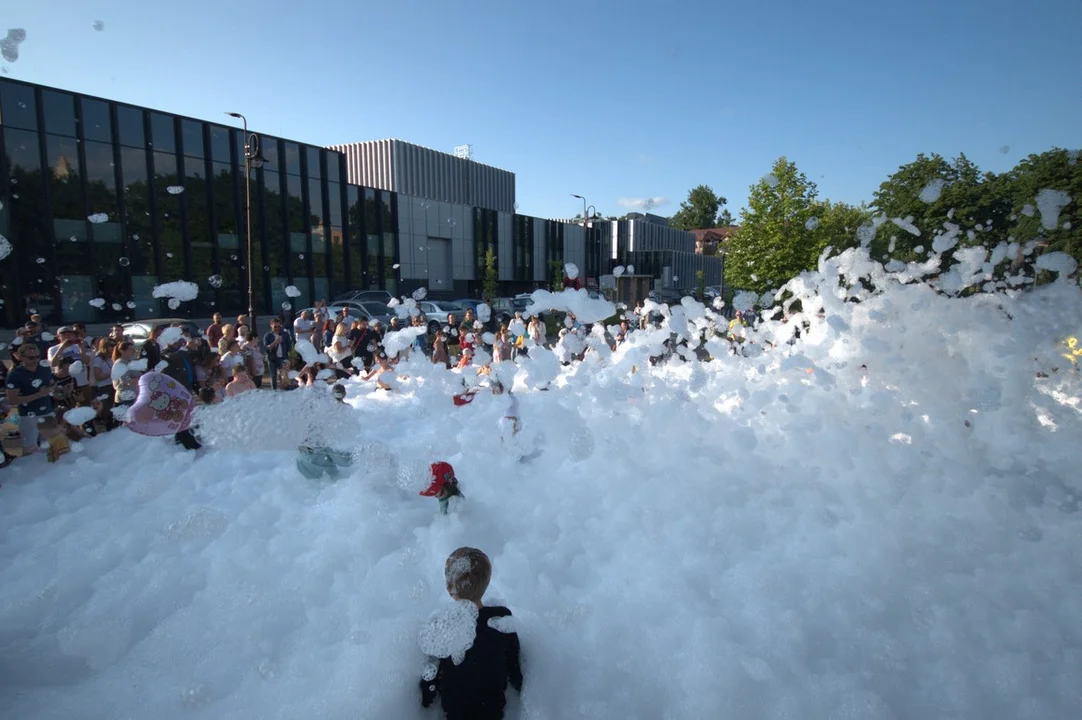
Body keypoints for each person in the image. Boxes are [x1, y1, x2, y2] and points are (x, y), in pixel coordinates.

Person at [420, 547, 522, 720]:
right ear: (487, 582)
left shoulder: (441, 624)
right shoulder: (501, 618)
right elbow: (514, 667)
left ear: (449, 587)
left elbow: (431, 678)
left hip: (454, 713)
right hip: (493, 711)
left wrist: (425, 700)